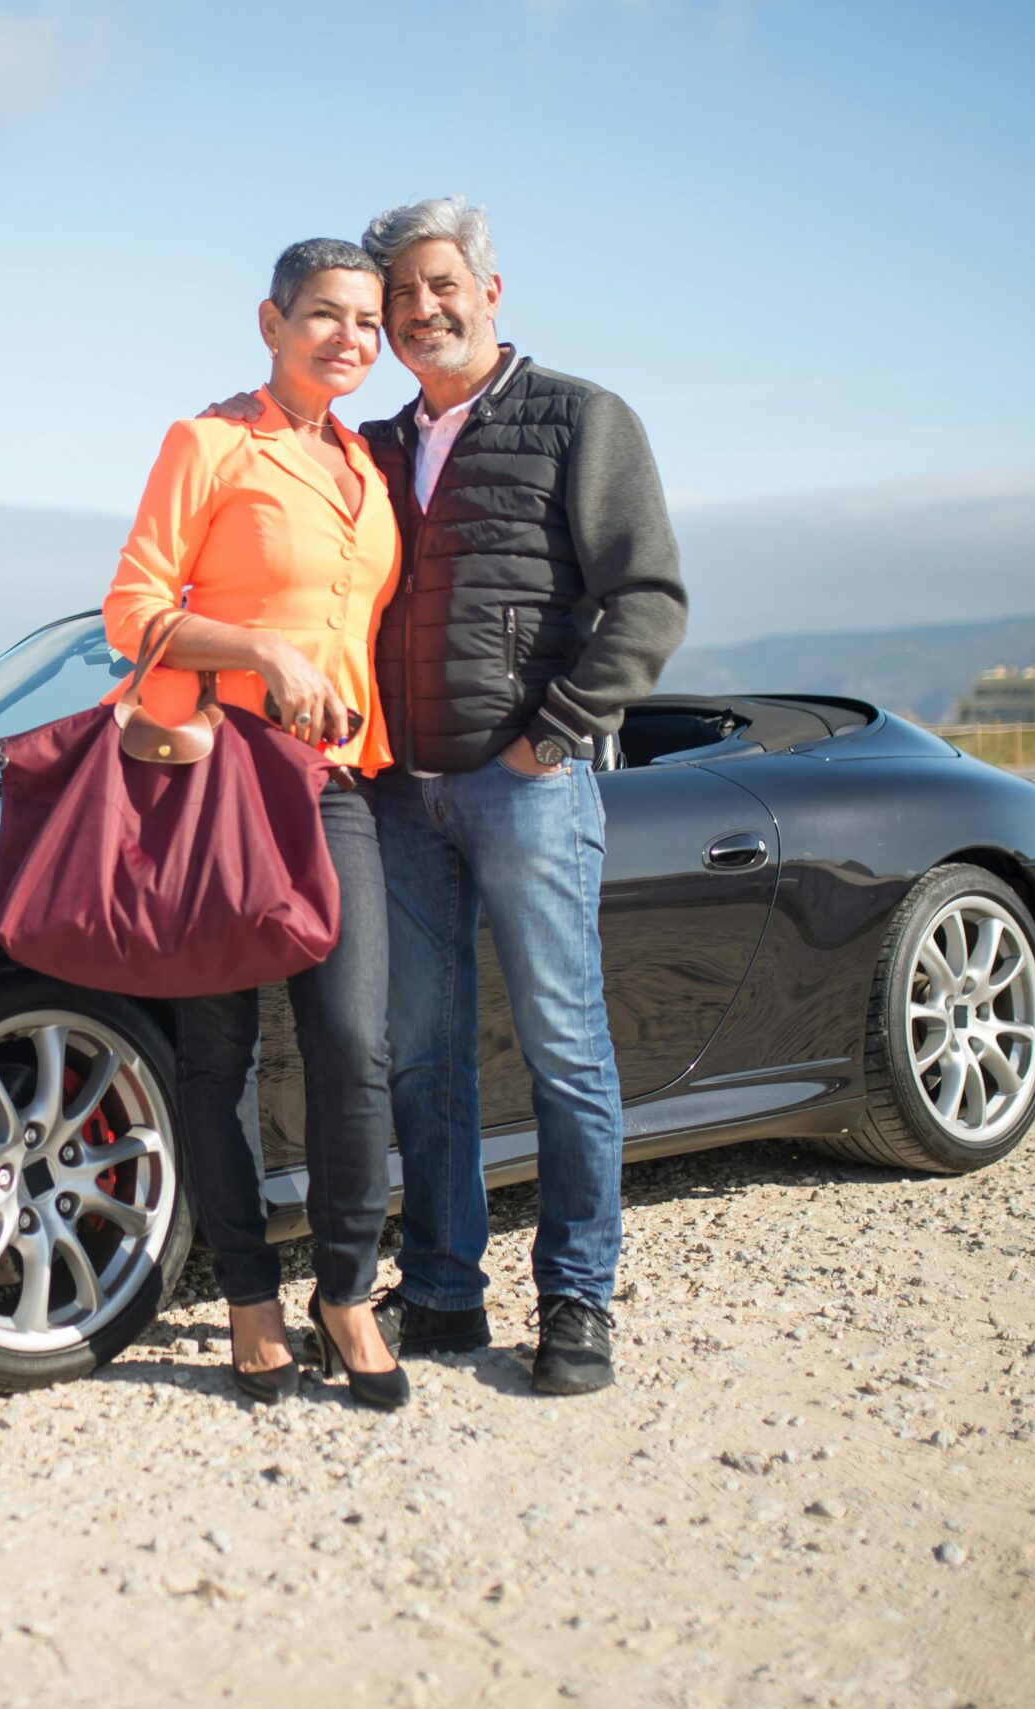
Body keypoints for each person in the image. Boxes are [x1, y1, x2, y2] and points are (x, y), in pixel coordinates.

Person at [210, 199, 689, 1394]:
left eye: (438, 286)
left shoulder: (579, 416)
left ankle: (576, 1300)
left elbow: (646, 600)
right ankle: (440, 1291)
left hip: (525, 788)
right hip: (397, 798)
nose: (419, 310)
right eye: (399, 295)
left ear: (489, 287)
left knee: (562, 1044)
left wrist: (554, 737)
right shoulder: (370, 447)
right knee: (423, 1056)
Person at [101, 238, 408, 1409]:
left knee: (351, 1045)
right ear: (271, 321)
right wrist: (260, 651)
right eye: (325, 315)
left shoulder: (367, 467)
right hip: (214, 781)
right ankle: (246, 1296)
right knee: (219, 1051)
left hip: (335, 786)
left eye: (367, 323)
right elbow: (132, 607)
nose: (350, 339)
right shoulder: (208, 442)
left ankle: (346, 1287)